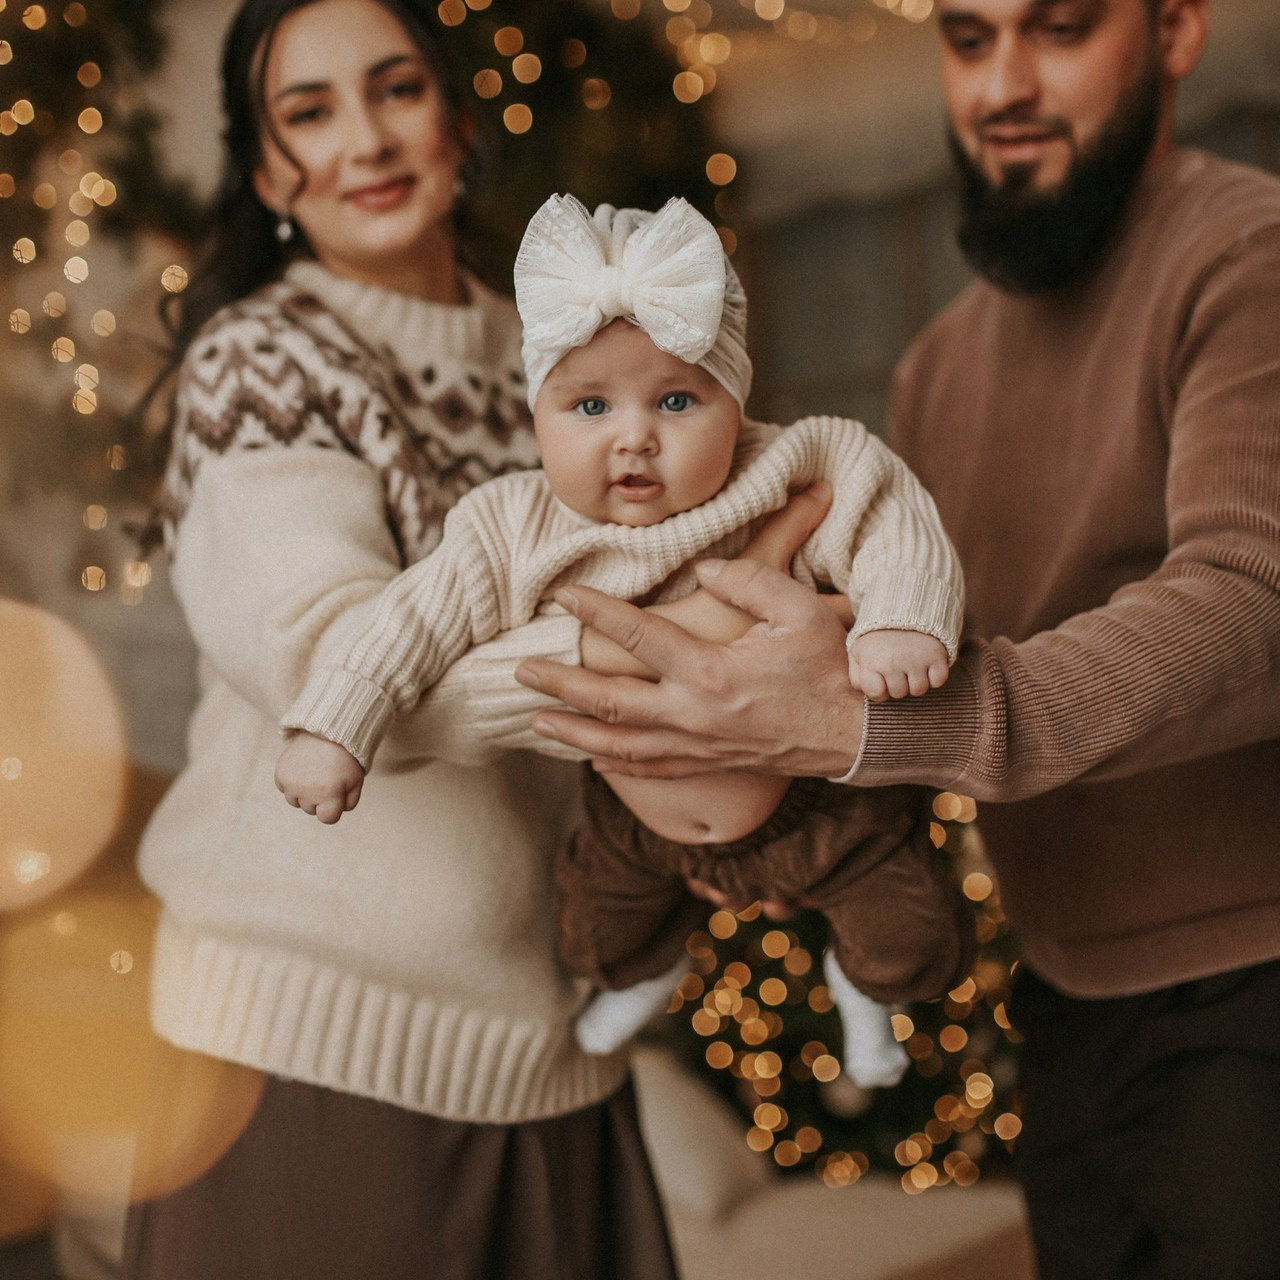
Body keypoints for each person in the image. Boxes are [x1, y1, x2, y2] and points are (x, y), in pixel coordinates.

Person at [510, 1, 1280, 1276]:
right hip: (1060, 1000)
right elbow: (879, 661)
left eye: (1061, 29)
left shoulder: (1244, 256)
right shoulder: (935, 365)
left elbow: (1255, 596)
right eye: (970, 40)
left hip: (1250, 994)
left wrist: (872, 720)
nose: (1004, 84)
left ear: (1177, 31)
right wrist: (747, 792)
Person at [123, 2, 681, 1276]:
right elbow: (329, 659)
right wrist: (645, 674)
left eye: (394, 91)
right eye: (309, 113)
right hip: (306, 1065)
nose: (365, 139)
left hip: (554, 1056)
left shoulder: (575, 363)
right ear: (267, 172)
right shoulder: (259, 356)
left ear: (457, 122)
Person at [274, 192, 973, 1085]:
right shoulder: (511, 526)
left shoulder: (795, 464)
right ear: (537, 414)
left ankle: (862, 989)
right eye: (589, 406)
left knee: (907, 936)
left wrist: (901, 618)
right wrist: (338, 721)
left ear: (737, 398)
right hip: (635, 820)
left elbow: (893, 522)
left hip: (819, 807)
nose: (634, 438)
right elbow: (413, 618)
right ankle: (653, 969)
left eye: (677, 399)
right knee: (592, 934)